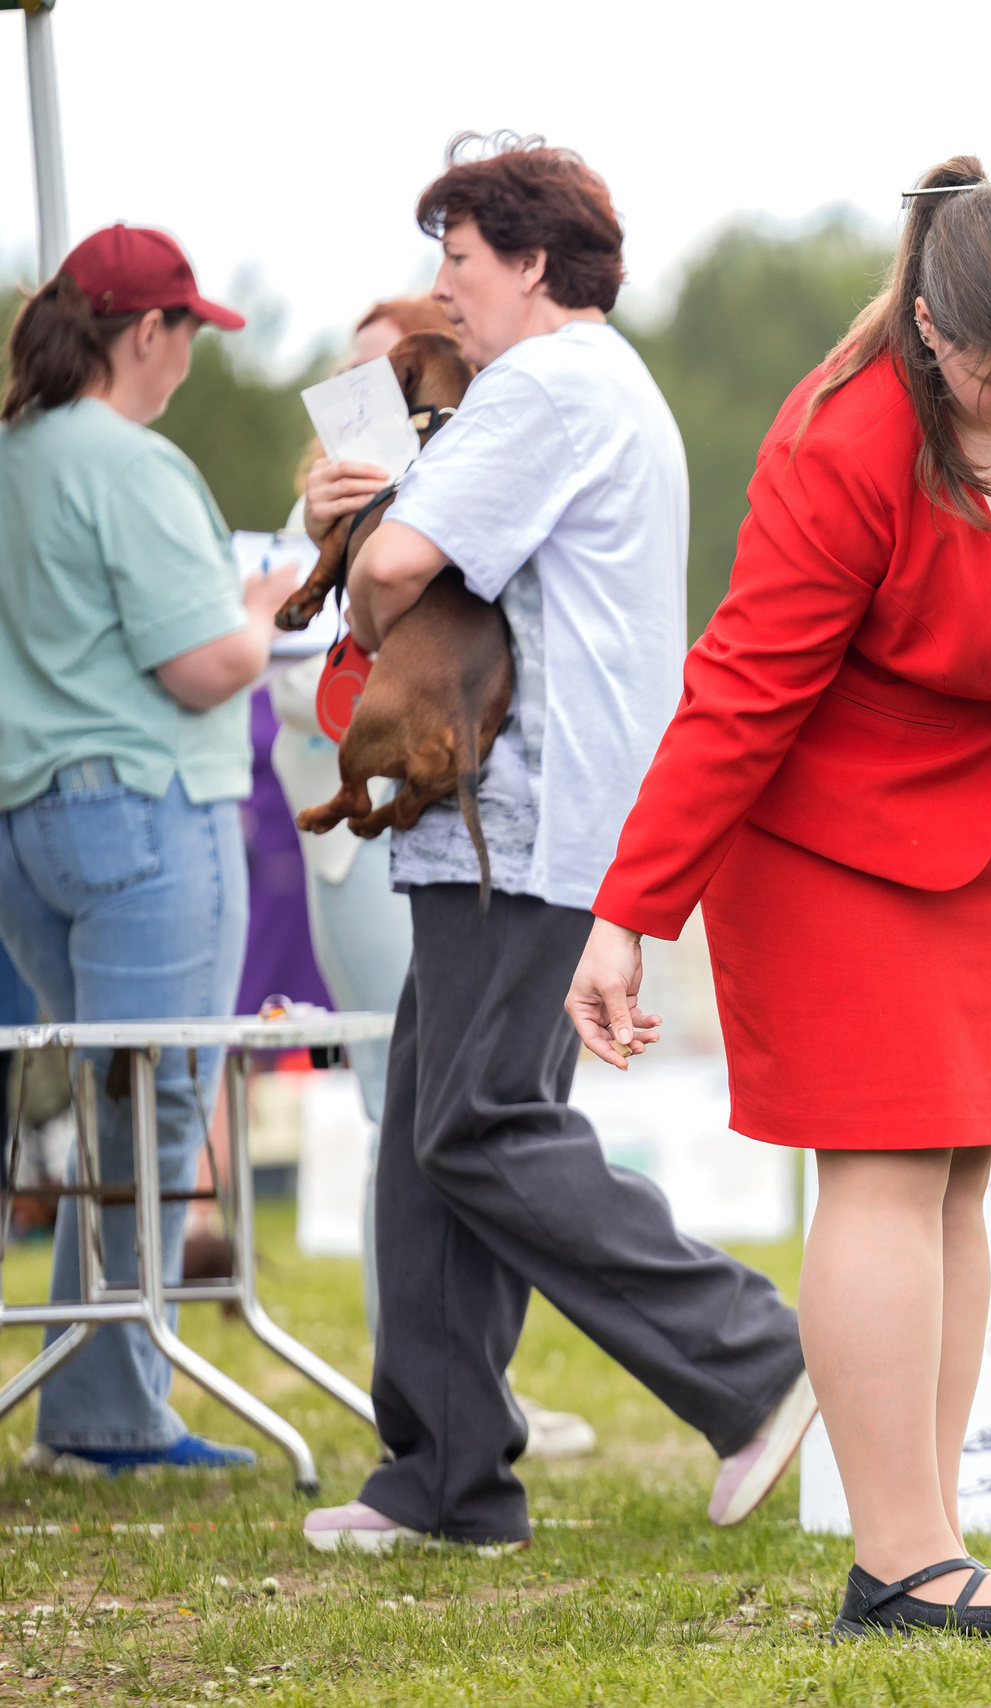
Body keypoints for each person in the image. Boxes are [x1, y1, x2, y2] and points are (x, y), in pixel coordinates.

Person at [565, 158, 991, 1642]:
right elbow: (738, 696)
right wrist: (629, 916)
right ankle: (899, 1560)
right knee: (888, 1172)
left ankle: (929, 1533)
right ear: (927, 329)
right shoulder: (842, 445)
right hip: (837, 842)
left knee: (967, 1167)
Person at [298, 137, 807, 1554]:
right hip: (534, 822)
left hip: (524, 824)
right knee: (426, 1138)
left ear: (529, 262)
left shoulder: (546, 382)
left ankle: (753, 1356)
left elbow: (398, 571)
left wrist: (362, 510)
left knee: (477, 1124)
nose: (440, 289)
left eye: (457, 259)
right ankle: (446, 1480)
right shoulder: (602, 384)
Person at [267, 293, 594, 1457]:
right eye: (359, 378)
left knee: (462, 1112)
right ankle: (427, 1399)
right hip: (370, 820)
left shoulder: (486, 464)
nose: (375, 404)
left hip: (466, 819)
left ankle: (468, 1399)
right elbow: (288, 645)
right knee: (404, 1107)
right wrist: (324, 531)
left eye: (395, 379)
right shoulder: (336, 512)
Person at [0, 224, 291, 1473]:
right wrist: (267, 605)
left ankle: (93, 1395)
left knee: (118, 1100)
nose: (190, 363)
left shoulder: (14, 452)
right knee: (159, 1098)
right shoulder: (134, 464)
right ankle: (107, 1414)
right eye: (188, 335)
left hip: (29, 828)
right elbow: (203, 666)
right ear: (149, 333)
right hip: (148, 811)